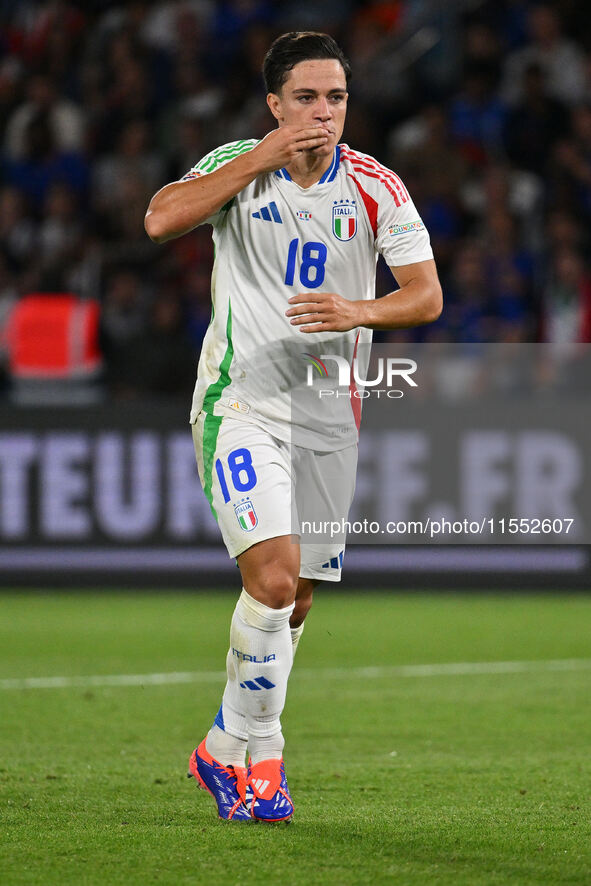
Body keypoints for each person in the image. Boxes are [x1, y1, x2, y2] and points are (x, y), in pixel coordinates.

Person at [145, 31, 442, 824]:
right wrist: (256, 158)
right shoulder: (238, 165)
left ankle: (220, 746)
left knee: (297, 600)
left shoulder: (375, 186)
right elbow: (159, 218)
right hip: (239, 404)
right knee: (272, 579)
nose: (322, 112)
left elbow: (424, 295)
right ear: (274, 104)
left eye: (335, 97)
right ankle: (262, 754)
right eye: (305, 98)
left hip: (328, 419)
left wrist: (360, 310)